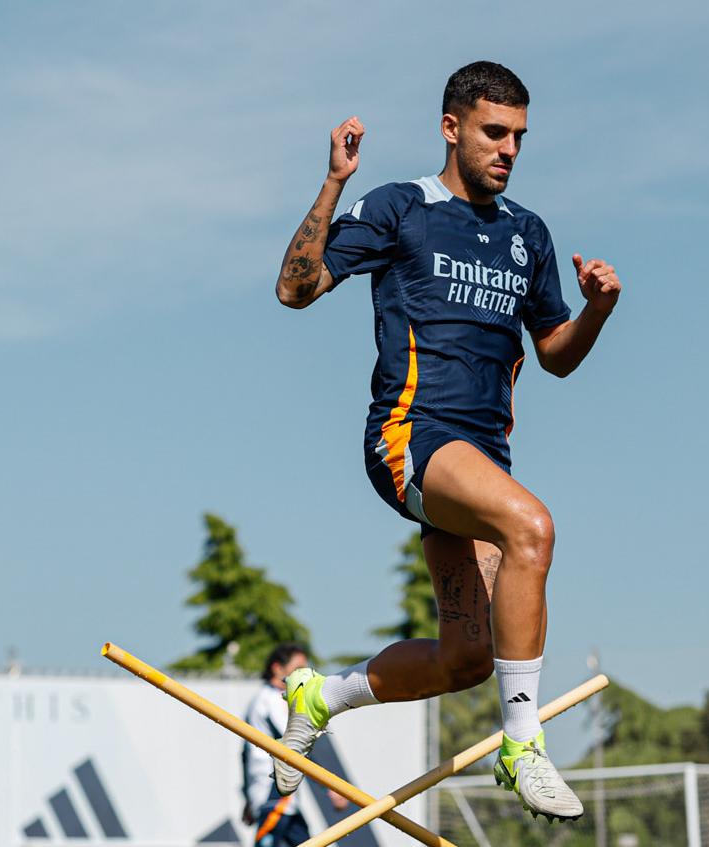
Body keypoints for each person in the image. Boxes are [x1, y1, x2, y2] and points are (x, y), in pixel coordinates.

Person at [269, 61, 623, 821]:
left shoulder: (527, 234)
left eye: (520, 137)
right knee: (533, 526)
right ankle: (522, 745)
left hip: (480, 462)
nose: (510, 150)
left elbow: (555, 352)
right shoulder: (402, 207)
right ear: (452, 127)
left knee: (466, 659)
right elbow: (295, 288)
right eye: (495, 132)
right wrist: (333, 182)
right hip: (410, 438)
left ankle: (320, 694)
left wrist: (596, 310)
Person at [242, 644, 314, 846]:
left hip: (282, 796)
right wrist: (331, 787)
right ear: (277, 669)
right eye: (299, 668)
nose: (305, 675)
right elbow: (295, 744)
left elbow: (244, 753)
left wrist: (247, 797)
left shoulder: (270, 699)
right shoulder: (269, 699)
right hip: (272, 790)